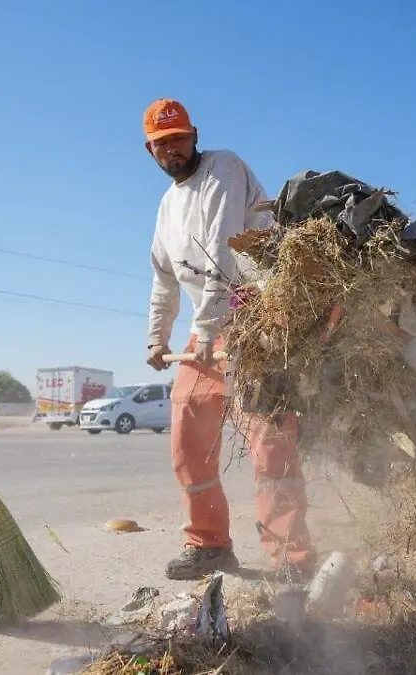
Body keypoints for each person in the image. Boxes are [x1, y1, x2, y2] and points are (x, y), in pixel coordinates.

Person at [142, 98, 316, 582]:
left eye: (178, 138)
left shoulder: (224, 168)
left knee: (269, 443)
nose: (171, 149)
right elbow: (163, 276)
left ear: (194, 136)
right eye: (161, 144)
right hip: (207, 330)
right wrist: (156, 337)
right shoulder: (166, 205)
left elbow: (221, 253)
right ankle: (209, 544)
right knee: (187, 439)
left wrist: (203, 331)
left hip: (256, 318)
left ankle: (291, 557)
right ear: (150, 151)